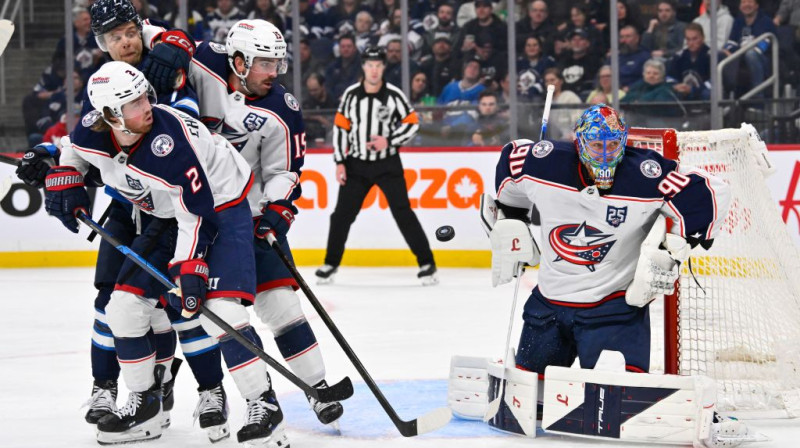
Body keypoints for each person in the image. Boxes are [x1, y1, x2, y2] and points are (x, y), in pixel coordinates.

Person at [15, 0, 228, 442]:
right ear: (102, 44)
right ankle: (107, 388)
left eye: (130, 32)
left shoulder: (168, 69)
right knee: (109, 303)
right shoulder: (107, 82)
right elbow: (92, 136)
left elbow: (168, 138)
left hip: (174, 206)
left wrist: (70, 164)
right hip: (128, 205)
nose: (124, 41)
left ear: (140, 30)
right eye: (114, 37)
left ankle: (208, 390)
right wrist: (54, 160)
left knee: (179, 306)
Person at [487, 104, 746, 447]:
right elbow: (509, 165)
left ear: (624, 142)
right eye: (597, 146)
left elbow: (711, 191)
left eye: (613, 145)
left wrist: (673, 248)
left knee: (617, 407)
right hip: (548, 309)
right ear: (579, 143)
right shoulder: (542, 162)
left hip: (611, 312)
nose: (606, 154)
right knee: (531, 403)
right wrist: (510, 219)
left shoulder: (647, 173)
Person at [42, 61, 261, 445]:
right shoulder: (93, 128)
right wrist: (67, 177)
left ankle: (256, 399)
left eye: (145, 95)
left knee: (208, 309)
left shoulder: (168, 142)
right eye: (134, 102)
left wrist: (189, 267)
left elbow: (196, 214)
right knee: (121, 308)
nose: (147, 105)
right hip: (166, 213)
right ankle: (146, 401)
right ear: (110, 116)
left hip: (222, 204)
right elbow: (74, 151)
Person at [155, 18, 345, 429]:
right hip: (195, 217)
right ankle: (194, 391)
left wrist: (277, 205)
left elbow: (285, 170)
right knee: (200, 314)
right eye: (264, 63)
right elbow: (149, 34)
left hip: (250, 216)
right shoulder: (203, 61)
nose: (273, 72)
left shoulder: (281, 108)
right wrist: (168, 42)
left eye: (278, 62)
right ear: (238, 60)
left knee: (281, 306)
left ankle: (317, 386)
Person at [316, 46, 437, 285]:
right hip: (356, 165)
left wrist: (389, 140)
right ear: (363, 67)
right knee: (341, 216)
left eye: (378, 65)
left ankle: (427, 263)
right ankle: (330, 263)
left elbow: (412, 122)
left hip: (387, 164)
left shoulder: (394, 95)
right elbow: (341, 127)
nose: (373, 70)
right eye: (369, 65)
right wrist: (340, 161)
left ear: (383, 67)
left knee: (402, 212)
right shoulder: (351, 95)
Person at [722, 0, 777, 98]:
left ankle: (758, 99)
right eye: (743, 2)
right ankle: (726, 100)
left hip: (765, 61)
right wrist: (730, 51)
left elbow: (762, 47)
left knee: (751, 54)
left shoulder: (766, 21)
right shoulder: (738, 21)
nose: (746, 5)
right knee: (720, 55)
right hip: (742, 59)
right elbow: (730, 44)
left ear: (756, 5)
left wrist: (739, 52)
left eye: (750, 2)